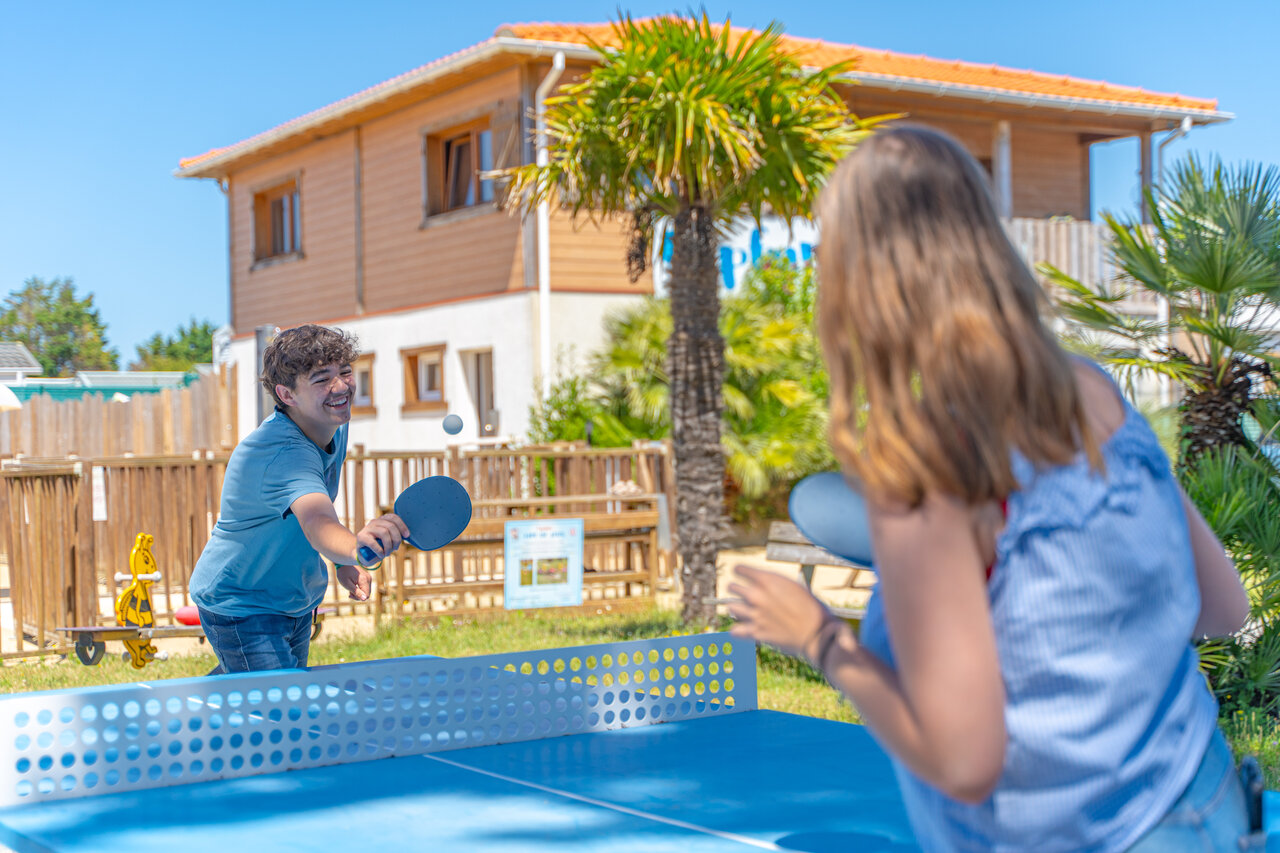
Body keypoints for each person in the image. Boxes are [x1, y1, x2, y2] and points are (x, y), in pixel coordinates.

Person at [728, 126, 1261, 851]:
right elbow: (1222, 604)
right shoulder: (1093, 392)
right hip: (1216, 811)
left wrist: (817, 636)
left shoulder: (923, 463)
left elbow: (964, 762)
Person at [190, 324, 407, 673]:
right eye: (322, 379)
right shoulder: (283, 453)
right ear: (287, 395)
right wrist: (355, 548)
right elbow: (316, 521)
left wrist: (342, 562)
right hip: (241, 603)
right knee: (282, 712)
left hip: (292, 600)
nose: (340, 387)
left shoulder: (331, 421)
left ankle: (206, 706)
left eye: (345, 372)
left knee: (268, 696)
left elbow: (316, 506)